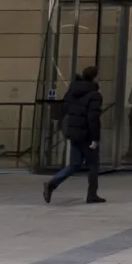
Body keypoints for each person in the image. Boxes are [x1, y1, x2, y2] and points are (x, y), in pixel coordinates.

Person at [44, 66, 105, 204]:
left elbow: (65, 108)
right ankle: (92, 194)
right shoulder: (95, 95)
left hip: (74, 132)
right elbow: (93, 117)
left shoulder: (73, 91)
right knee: (93, 164)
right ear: (94, 77)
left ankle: (52, 183)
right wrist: (95, 138)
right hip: (87, 133)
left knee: (74, 164)